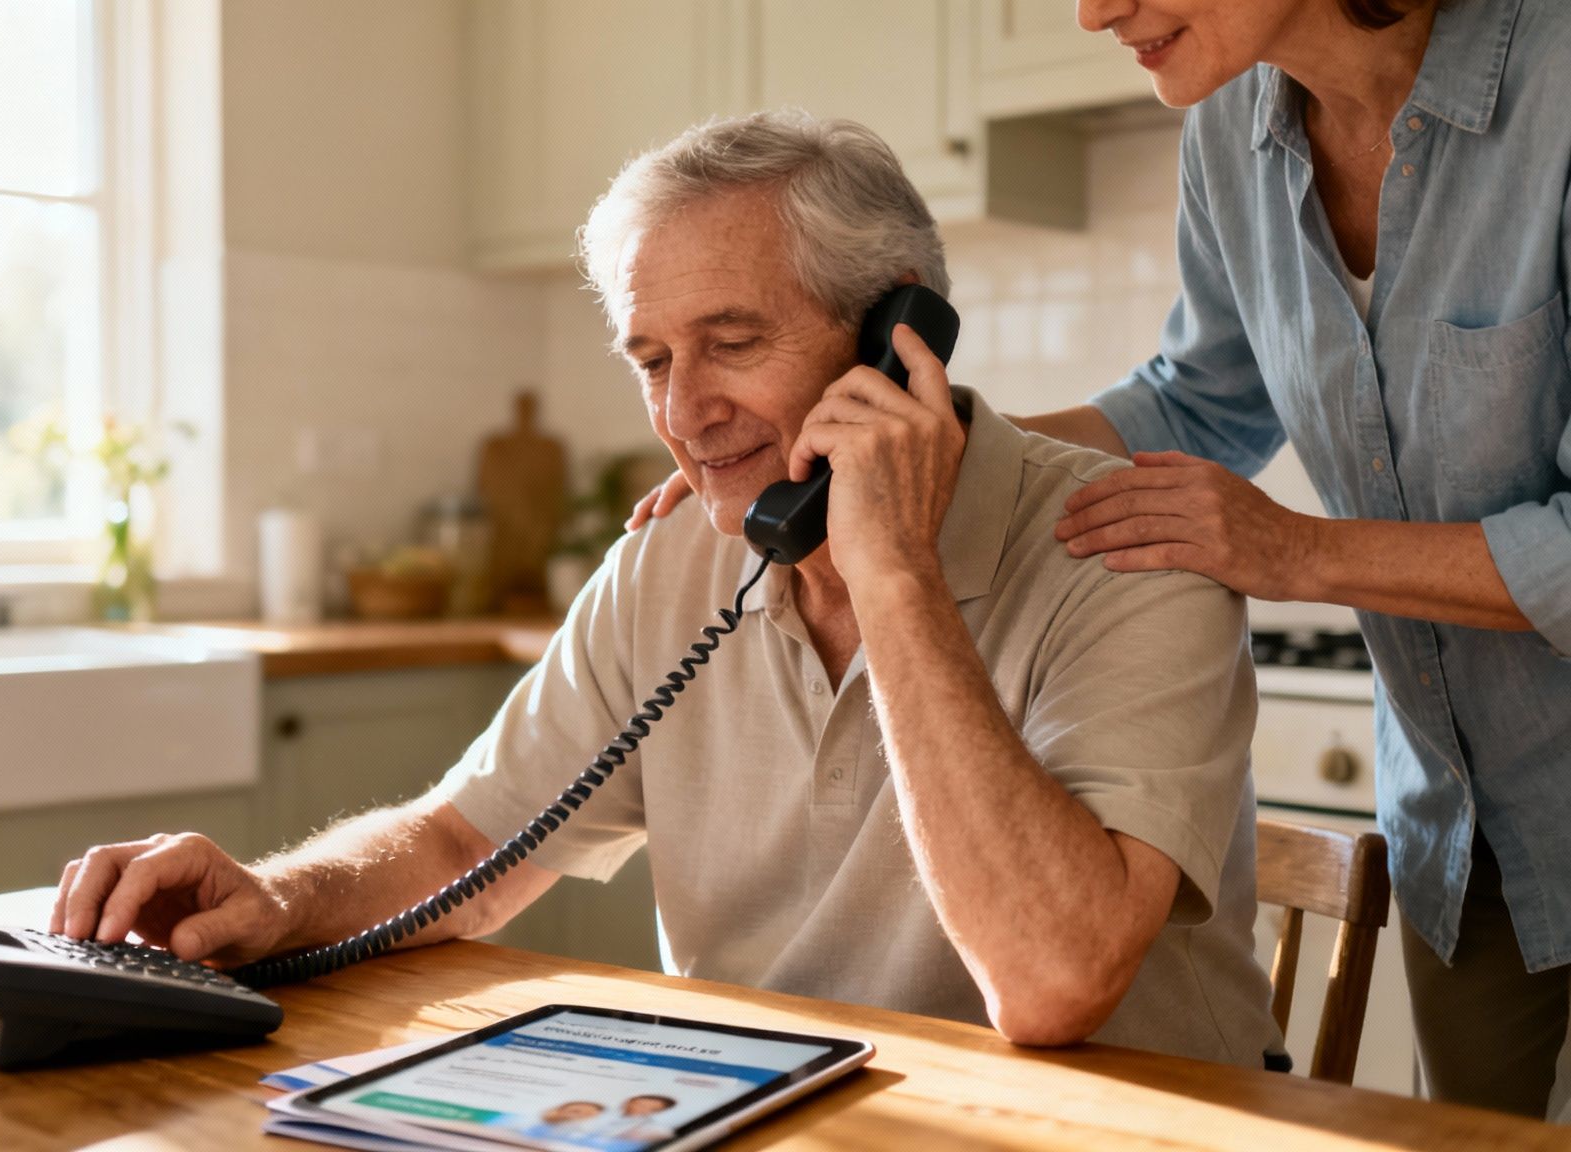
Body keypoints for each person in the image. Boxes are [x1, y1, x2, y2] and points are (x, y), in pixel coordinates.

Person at [52, 110, 1281, 1066]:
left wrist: (892, 571)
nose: (684, 414)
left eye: (732, 343)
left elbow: (1052, 983)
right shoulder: (673, 557)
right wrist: (276, 899)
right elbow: (464, 837)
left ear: (898, 339)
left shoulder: (1130, 548)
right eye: (652, 359)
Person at [627, 0, 1571, 1119]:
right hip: (1464, 835)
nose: (1090, 11)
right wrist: (863, 448)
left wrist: (1295, 552)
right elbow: (1193, 402)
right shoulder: (1232, 134)